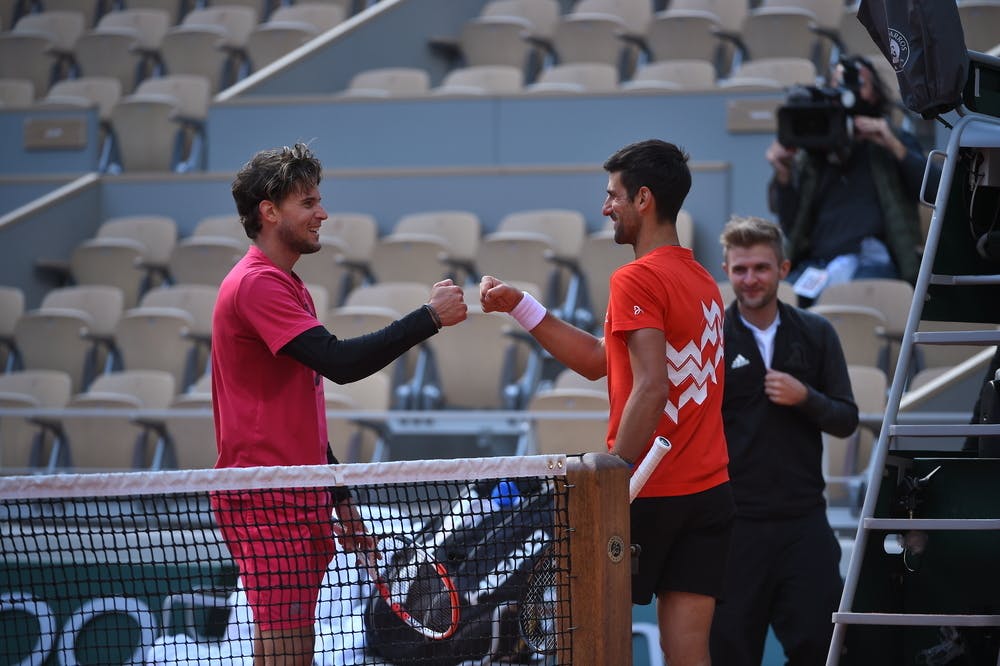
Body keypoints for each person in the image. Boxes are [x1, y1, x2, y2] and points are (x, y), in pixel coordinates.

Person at [210, 142, 467, 666]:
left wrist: (339, 497)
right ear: (269, 211)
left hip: (299, 492)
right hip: (265, 498)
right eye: (308, 202)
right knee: (286, 650)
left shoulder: (289, 286)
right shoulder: (258, 284)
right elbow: (341, 363)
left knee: (289, 649)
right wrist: (429, 318)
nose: (322, 213)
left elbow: (303, 414)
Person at [481, 139, 733, 666]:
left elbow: (651, 387)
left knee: (596, 645)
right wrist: (519, 306)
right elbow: (602, 361)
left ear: (643, 199)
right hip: (709, 493)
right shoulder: (704, 281)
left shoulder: (636, 277)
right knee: (687, 651)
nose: (605, 208)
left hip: (645, 492)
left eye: (612, 195)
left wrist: (610, 476)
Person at [710, 215, 859, 665]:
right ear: (726, 270)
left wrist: (805, 397)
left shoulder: (816, 334)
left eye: (760, 267)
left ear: (784, 268)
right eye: (740, 269)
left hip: (804, 523)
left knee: (822, 646)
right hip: (735, 527)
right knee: (730, 652)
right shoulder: (712, 340)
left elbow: (846, 419)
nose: (750, 279)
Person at [766, 54, 926, 303]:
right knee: (776, 304)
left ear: (875, 93)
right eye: (837, 84)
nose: (845, 91)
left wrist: (893, 145)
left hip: (873, 259)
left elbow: (933, 189)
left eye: (857, 83)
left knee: (853, 304)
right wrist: (783, 172)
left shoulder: (893, 139)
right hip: (819, 263)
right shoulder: (814, 149)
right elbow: (790, 224)